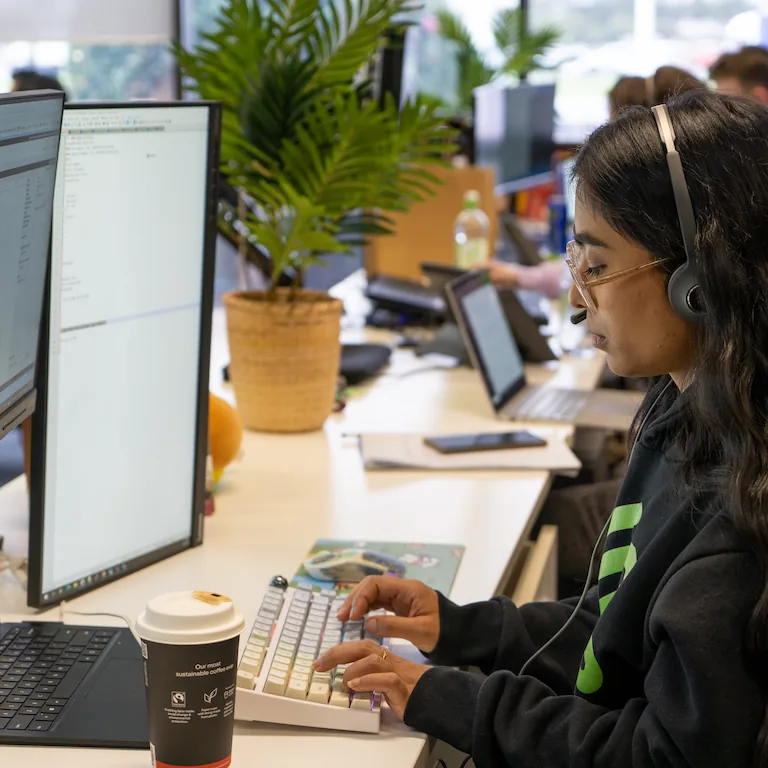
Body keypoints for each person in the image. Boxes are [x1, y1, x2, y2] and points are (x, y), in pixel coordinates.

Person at [313, 90, 768, 766]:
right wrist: (464, 629)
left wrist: (452, 701)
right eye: (574, 264)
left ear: (696, 282)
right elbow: (615, 630)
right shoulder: (683, 414)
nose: (578, 297)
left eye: (599, 266)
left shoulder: (739, 513)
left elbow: (659, 755)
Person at [484, 65, 704, 294]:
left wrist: (517, 276)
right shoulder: (683, 194)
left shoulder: (649, 201)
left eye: (616, 129)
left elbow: (603, 277)